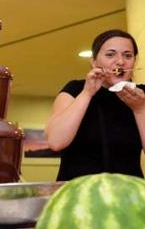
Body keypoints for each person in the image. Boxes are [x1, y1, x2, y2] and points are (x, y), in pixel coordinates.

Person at [45, 29, 145, 181]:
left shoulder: (141, 95)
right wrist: (87, 93)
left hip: (128, 194)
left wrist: (140, 110)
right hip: (77, 192)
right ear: (94, 62)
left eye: (127, 55)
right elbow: (56, 142)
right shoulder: (75, 89)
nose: (120, 61)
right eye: (110, 54)